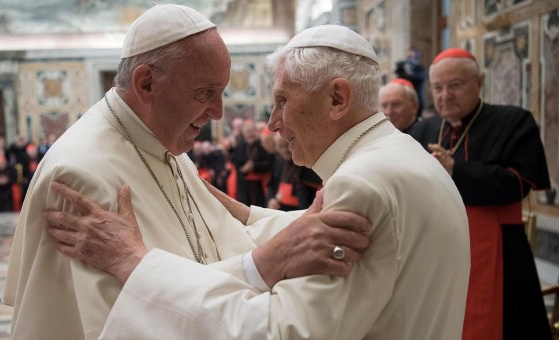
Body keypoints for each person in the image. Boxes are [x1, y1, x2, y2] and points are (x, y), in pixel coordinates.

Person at [45, 24, 471, 339]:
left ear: (337, 98)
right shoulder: (403, 156)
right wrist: (248, 215)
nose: (272, 123)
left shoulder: (361, 185)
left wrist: (134, 263)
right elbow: (374, 242)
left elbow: (279, 332)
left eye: (283, 100)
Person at [3, 6, 371, 339]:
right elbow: (126, 325)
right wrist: (265, 264)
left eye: (222, 92)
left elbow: (220, 243)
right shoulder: (83, 176)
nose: (218, 113)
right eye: (205, 92)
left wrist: (286, 232)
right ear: (146, 83)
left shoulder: (165, 142)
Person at [412, 48, 552, 340]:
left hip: (498, 247)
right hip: (435, 250)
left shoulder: (513, 121)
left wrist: (455, 170)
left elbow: (518, 182)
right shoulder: (424, 129)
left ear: (479, 82)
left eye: (455, 85)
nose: (445, 95)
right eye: (437, 88)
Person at [231, 119, 274, 206]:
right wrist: (242, 169)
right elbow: (235, 162)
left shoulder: (263, 145)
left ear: (256, 131)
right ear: (244, 133)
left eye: (252, 131)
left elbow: (269, 163)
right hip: (244, 184)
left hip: (260, 185)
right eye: (247, 132)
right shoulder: (241, 145)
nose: (250, 134)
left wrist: (254, 166)